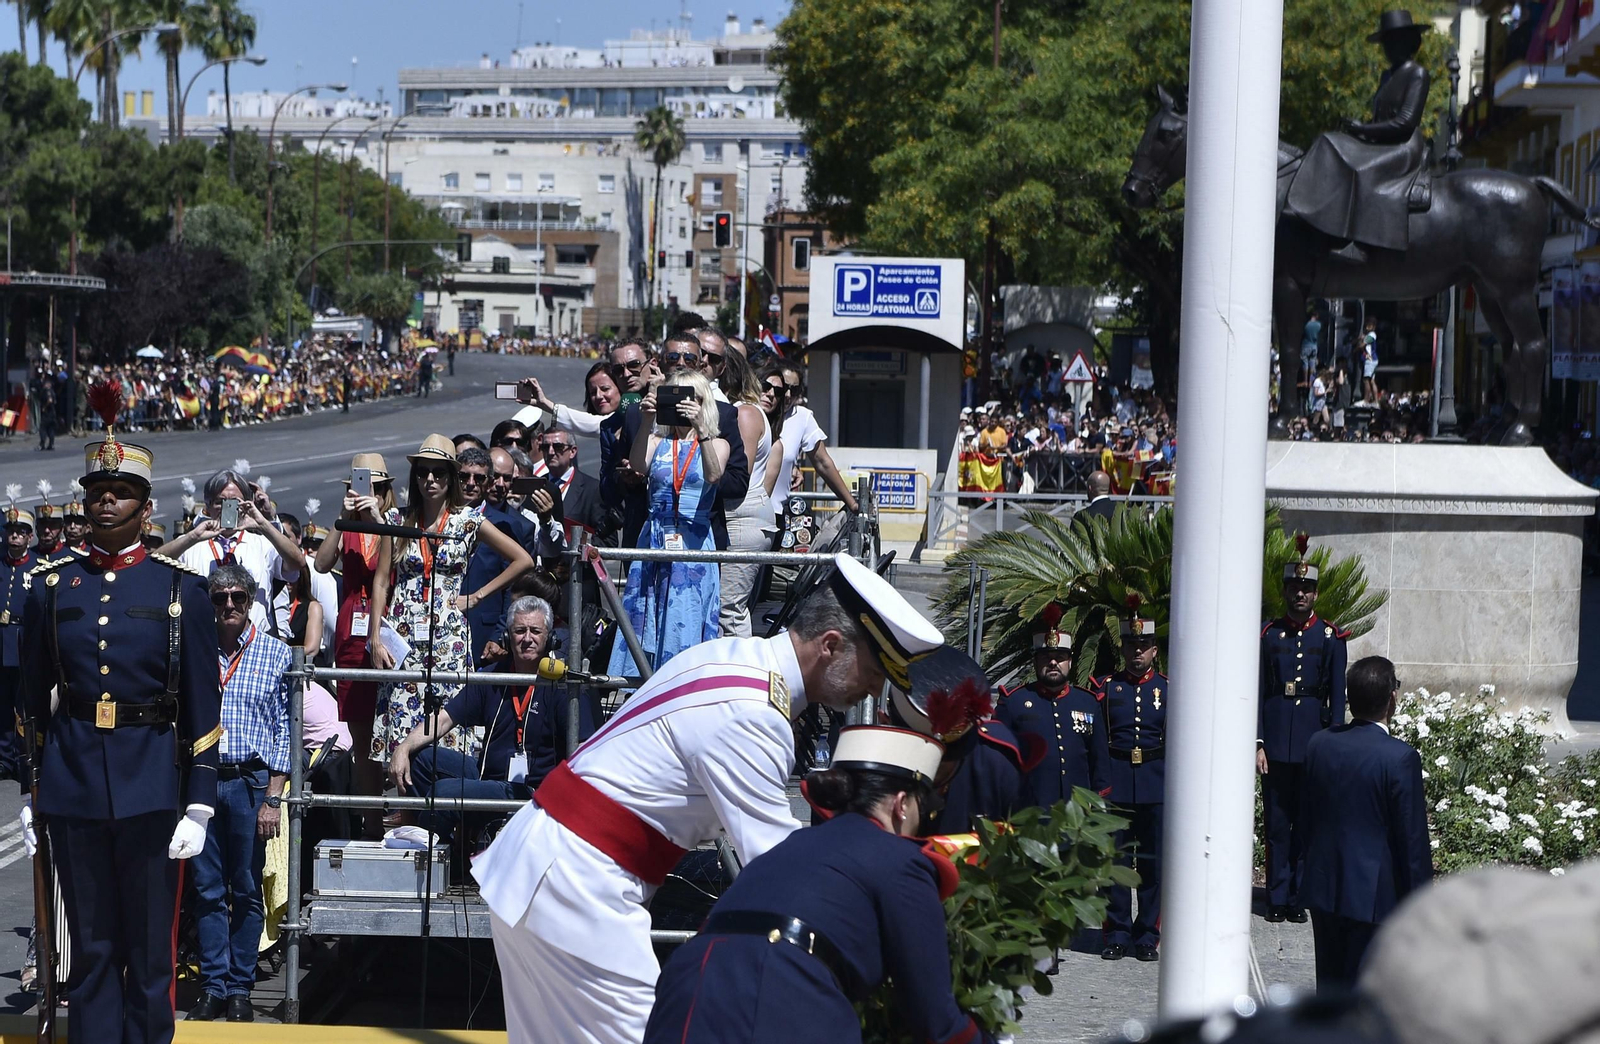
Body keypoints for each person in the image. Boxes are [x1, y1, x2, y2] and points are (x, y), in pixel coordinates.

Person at [473, 555, 945, 1044]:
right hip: (579, 886)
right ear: (830, 645)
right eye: (873, 670)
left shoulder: (731, 656)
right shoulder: (757, 716)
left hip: (543, 865)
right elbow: (785, 870)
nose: (875, 688)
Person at [19, 424, 222, 1044]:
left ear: (146, 505)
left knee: (151, 951)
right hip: (75, 784)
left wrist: (200, 801)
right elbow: (29, 698)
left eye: (122, 490)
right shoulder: (53, 589)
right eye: (98, 490)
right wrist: (31, 788)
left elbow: (201, 703)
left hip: (153, 787)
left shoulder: (178, 589)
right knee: (93, 948)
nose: (106, 500)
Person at [645, 727, 994, 1044]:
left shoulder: (790, 848)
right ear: (902, 805)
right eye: (924, 809)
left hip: (685, 988)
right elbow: (935, 1020)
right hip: (779, 991)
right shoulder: (900, 859)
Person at [368, 435, 533, 765]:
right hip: (403, 635)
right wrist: (374, 635)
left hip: (449, 637)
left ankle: (441, 810)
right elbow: (381, 581)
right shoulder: (397, 522)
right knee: (401, 719)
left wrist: (477, 596)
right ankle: (406, 806)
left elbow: (523, 560)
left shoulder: (467, 521)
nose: (430, 479)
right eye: (423, 472)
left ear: (451, 477)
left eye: (439, 472)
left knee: (449, 723)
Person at [388, 596, 598, 841]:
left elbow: (584, 749)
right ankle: (426, 844)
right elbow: (444, 719)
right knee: (419, 759)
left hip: (533, 790)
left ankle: (446, 862)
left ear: (549, 637)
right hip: (487, 774)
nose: (527, 638)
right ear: (508, 637)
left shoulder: (562, 684)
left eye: (535, 631)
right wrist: (403, 747)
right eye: (519, 631)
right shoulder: (492, 676)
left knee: (444, 793)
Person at [185, 565, 292, 1024]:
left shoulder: (275, 653)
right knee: (207, 888)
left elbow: (286, 730)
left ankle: (240, 987)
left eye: (238, 598)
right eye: (220, 598)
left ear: (252, 602)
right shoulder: (195, 650)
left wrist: (274, 796)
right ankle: (212, 984)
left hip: (250, 781)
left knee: (247, 888)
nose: (229, 606)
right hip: (202, 780)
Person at [1300, 655, 1432, 988]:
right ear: (1392, 699)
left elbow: (1306, 815)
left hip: (1325, 886)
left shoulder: (1320, 744)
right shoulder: (1400, 757)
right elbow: (1411, 843)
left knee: (1329, 990)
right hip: (1373, 898)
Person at [605, 368, 730, 676]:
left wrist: (701, 429)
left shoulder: (718, 443)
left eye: (691, 399)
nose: (683, 406)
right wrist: (648, 419)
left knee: (685, 618)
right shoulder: (658, 441)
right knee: (647, 619)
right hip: (656, 537)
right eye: (674, 398)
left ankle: (683, 684)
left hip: (694, 542)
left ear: (704, 403)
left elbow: (714, 475)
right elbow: (637, 465)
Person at [1258, 536, 1349, 923]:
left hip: (1314, 740)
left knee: (1307, 824)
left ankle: (1299, 896)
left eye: (1307, 589)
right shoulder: (1268, 635)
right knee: (1277, 823)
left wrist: (1336, 745)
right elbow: (1259, 690)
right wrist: (1259, 743)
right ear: (1285, 591)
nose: (1300, 595)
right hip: (1276, 742)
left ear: (1315, 593)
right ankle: (1277, 897)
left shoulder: (1329, 637)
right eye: (1294, 588)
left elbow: (1338, 695)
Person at [313, 453, 398, 825]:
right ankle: (369, 821)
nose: (368, 494)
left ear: (385, 492)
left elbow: (395, 567)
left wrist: (378, 520)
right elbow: (320, 563)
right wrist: (343, 515)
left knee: (391, 732)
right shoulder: (346, 524)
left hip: (388, 628)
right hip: (352, 632)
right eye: (362, 487)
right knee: (361, 737)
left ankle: (396, 814)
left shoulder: (394, 523)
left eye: (376, 488)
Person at [894, 646, 1034, 835]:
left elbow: (1026, 843)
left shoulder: (997, 766)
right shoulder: (873, 769)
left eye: (942, 762)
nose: (931, 770)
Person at [1099, 599, 1167, 962]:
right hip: (1118, 783)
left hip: (1156, 785)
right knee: (1116, 863)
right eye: (1130, 646)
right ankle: (1117, 932)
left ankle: (1147, 934)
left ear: (1154, 651)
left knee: (1153, 864)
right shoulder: (1108, 688)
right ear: (1123, 648)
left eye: (1143, 647)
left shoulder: (1169, 690)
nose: (1136, 653)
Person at [997, 604, 1111, 808]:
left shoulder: (1088, 702)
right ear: (1035, 662)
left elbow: (1099, 760)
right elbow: (999, 760)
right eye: (1046, 657)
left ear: (1070, 662)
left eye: (1059, 658)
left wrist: (1099, 803)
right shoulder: (1013, 702)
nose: (1053, 663)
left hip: (1077, 811)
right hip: (1030, 810)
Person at [167, 468, 307, 629]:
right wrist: (191, 537)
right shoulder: (192, 544)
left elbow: (298, 563)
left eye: (235, 502)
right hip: (205, 640)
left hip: (253, 642)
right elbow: (153, 564)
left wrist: (263, 525)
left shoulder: (262, 544)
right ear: (208, 506)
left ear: (247, 505)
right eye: (220, 502)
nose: (228, 508)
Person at [716, 346, 777, 638]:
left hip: (741, 518)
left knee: (728, 611)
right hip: (741, 517)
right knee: (728, 609)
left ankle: (738, 677)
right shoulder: (747, 410)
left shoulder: (745, 413)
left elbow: (740, 472)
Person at [458, 446, 537, 664]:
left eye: (479, 478)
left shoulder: (506, 525)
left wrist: (499, 636)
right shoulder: (440, 517)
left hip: (484, 630)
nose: (471, 483)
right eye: (464, 476)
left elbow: (514, 589)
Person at [769, 361, 859, 513]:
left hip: (776, 514)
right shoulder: (753, 412)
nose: (788, 395)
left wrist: (852, 504)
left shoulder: (802, 417)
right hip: (744, 514)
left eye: (795, 389)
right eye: (784, 387)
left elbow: (823, 462)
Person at [0, 499, 33, 782]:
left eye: (21, 531)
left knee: (24, 708)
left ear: (29, 537)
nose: (14, 536)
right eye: (11, 530)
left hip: (23, 644)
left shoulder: (37, 567)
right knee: (2, 706)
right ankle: (4, 759)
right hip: (2, 645)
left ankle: (24, 759)